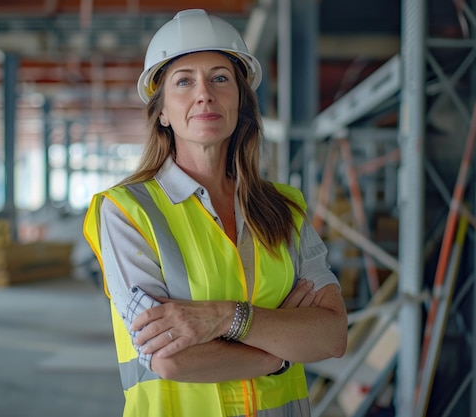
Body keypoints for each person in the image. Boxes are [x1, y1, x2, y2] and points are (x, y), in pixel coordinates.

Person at [83, 8, 347, 417]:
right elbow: (171, 360)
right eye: (184, 81)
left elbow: (330, 336)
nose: (204, 93)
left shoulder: (286, 208)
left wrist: (225, 318)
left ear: (240, 102)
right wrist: (280, 353)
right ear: (164, 113)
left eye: (220, 78)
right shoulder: (126, 212)